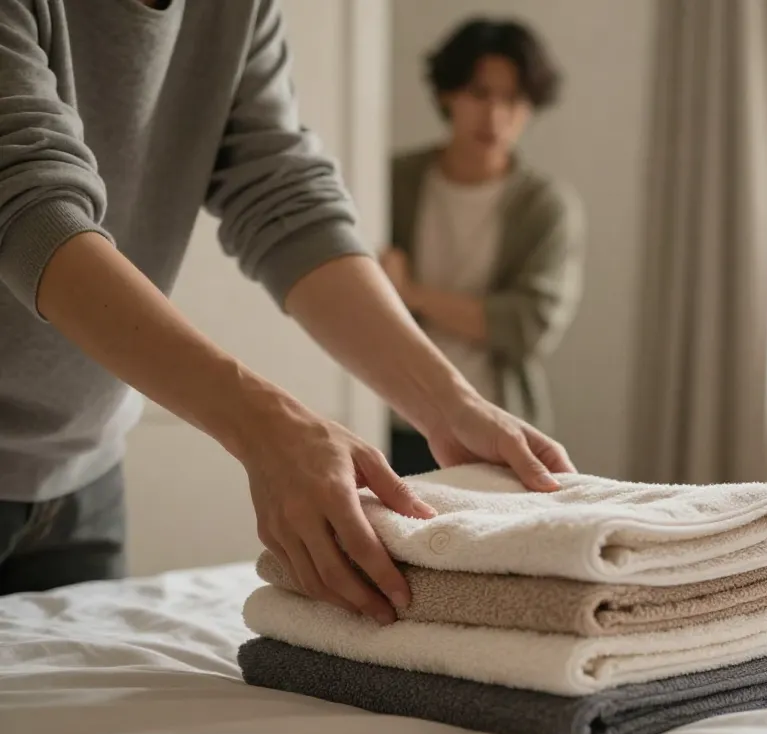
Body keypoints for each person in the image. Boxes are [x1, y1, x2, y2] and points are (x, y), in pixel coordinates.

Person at [0, 0, 575, 622]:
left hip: (86, 470)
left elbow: (283, 194)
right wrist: (264, 428)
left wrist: (448, 403)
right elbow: (29, 207)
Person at [381, 18, 584, 478]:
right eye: (479, 93)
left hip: (496, 417)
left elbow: (527, 324)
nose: (494, 114)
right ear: (447, 94)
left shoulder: (544, 206)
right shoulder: (394, 182)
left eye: (512, 99)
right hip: (391, 412)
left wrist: (412, 293)